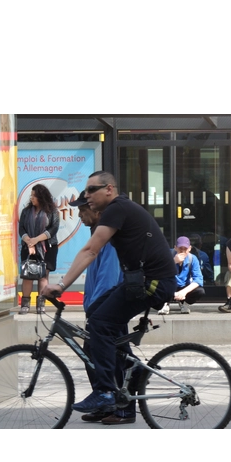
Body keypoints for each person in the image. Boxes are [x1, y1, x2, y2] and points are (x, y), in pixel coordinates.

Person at [42, 171, 177, 416]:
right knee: (96, 317)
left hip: (154, 283)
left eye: (92, 190)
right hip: (141, 281)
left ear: (109, 189)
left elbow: (90, 251)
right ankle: (127, 375)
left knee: (100, 321)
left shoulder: (117, 208)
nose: (87, 196)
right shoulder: (116, 211)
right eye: (85, 191)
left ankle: (106, 391)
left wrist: (60, 285)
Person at [70, 190, 136, 425]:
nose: (80, 215)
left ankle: (124, 409)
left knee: (117, 358)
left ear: (97, 210)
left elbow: (108, 280)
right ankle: (106, 403)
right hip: (101, 307)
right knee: (96, 356)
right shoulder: (97, 234)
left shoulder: (109, 238)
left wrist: (97, 311)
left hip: (109, 307)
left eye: (82, 210)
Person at [18, 183, 60, 315]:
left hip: (47, 247)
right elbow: (22, 229)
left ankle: (41, 304)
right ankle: (25, 305)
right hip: (28, 247)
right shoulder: (26, 211)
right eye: (31, 196)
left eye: (34, 196)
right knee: (27, 276)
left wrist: (36, 240)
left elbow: (53, 229)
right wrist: (29, 241)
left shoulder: (52, 211)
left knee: (43, 275)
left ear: (41, 197)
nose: (32, 198)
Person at [158, 236, 205, 315]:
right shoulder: (167, 256)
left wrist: (183, 292)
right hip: (169, 286)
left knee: (200, 291)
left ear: (189, 248)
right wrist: (173, 262)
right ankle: (164, 303)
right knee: (157, 286)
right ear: (175, 248)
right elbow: (159, 273)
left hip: (183, 286)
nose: (182, 251)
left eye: (185, 249)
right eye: (180, 249)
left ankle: (184, 303)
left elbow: (198, 280)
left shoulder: (193, 258)